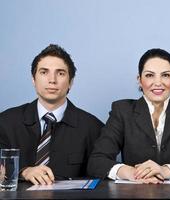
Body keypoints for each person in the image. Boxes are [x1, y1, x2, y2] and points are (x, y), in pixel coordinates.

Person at [87, 48, 170, 183]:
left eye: (165, 75)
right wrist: (132, 173)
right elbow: (96, 161)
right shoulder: (122, 110)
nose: (158, 82)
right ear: (139, 79)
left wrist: (165, 171)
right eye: (150, 75)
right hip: (134, 193)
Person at [0, 44, 104, 185]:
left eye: (60, 73)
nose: (52, 80)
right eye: (44, 72)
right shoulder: (6, 122)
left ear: (71, 82)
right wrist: (23, 172)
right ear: (33, 79)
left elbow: (102, 175)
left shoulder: (93, 128)